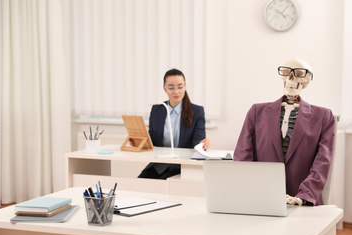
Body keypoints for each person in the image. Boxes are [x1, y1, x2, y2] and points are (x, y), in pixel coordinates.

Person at [233, 59, 335, 206]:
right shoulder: (256, 112)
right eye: (286, 73)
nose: (291, 79)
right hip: (261, 199)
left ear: (307, 81)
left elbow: (322, 163)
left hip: (302, 203)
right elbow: (243, 156)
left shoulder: (323, 116)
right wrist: (251, 191)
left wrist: (304, 196)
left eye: (299, 74)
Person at [137, 68, 210, 179]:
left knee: (161, 187)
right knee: (140, 183)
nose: (176, 91)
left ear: (185, 86)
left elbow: (198, 140)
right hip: (159, 164)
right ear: (164, 88)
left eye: (180, 87)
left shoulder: (197, 111)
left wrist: (203, 143)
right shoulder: (157, 109)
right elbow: (151, 140)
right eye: (171, 88)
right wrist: (139, 141)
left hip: (182, 166)